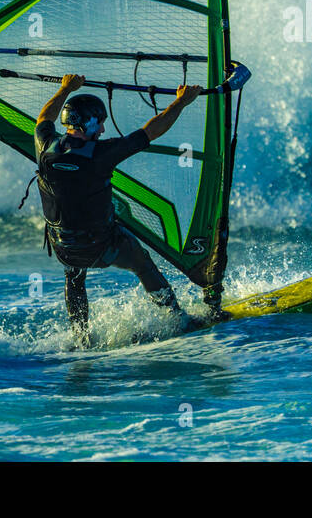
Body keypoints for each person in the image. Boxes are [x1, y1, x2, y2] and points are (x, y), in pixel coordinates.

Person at [33, 74, 224, 345]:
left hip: (64, 247)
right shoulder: (102, 154)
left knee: (74, 277)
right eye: (99, 124)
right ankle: (177, 318)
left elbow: (44, 118)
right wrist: (181, 102)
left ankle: (81, 339)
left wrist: (65, 88)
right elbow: (151, 131)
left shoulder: (44, 146)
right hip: (101, 246)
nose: (101, 131)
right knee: (141, 262)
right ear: (87, 123)